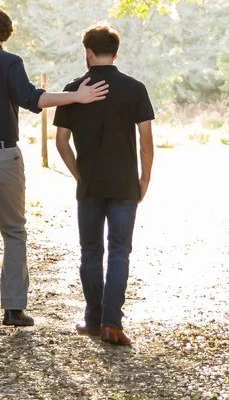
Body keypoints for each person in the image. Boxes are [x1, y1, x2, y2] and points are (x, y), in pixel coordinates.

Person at [0, 7, 108, 341]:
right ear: (6, 35)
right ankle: (14, 309)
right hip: (4, 156)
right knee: (14, 231)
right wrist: (77, 97)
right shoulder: (9, 63)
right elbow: (33, 99)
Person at [52, 24, 155, 347]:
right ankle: (113, 323)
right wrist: (145, 177)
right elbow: (146, 139)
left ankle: (93, 320)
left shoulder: (74, 89)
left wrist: (78, 174)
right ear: (116, 53)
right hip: (125, 184)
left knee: (90, 252)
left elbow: (61, 142)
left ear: (88, 53)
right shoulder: (135, 88)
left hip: (90, 185)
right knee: (120, 252)